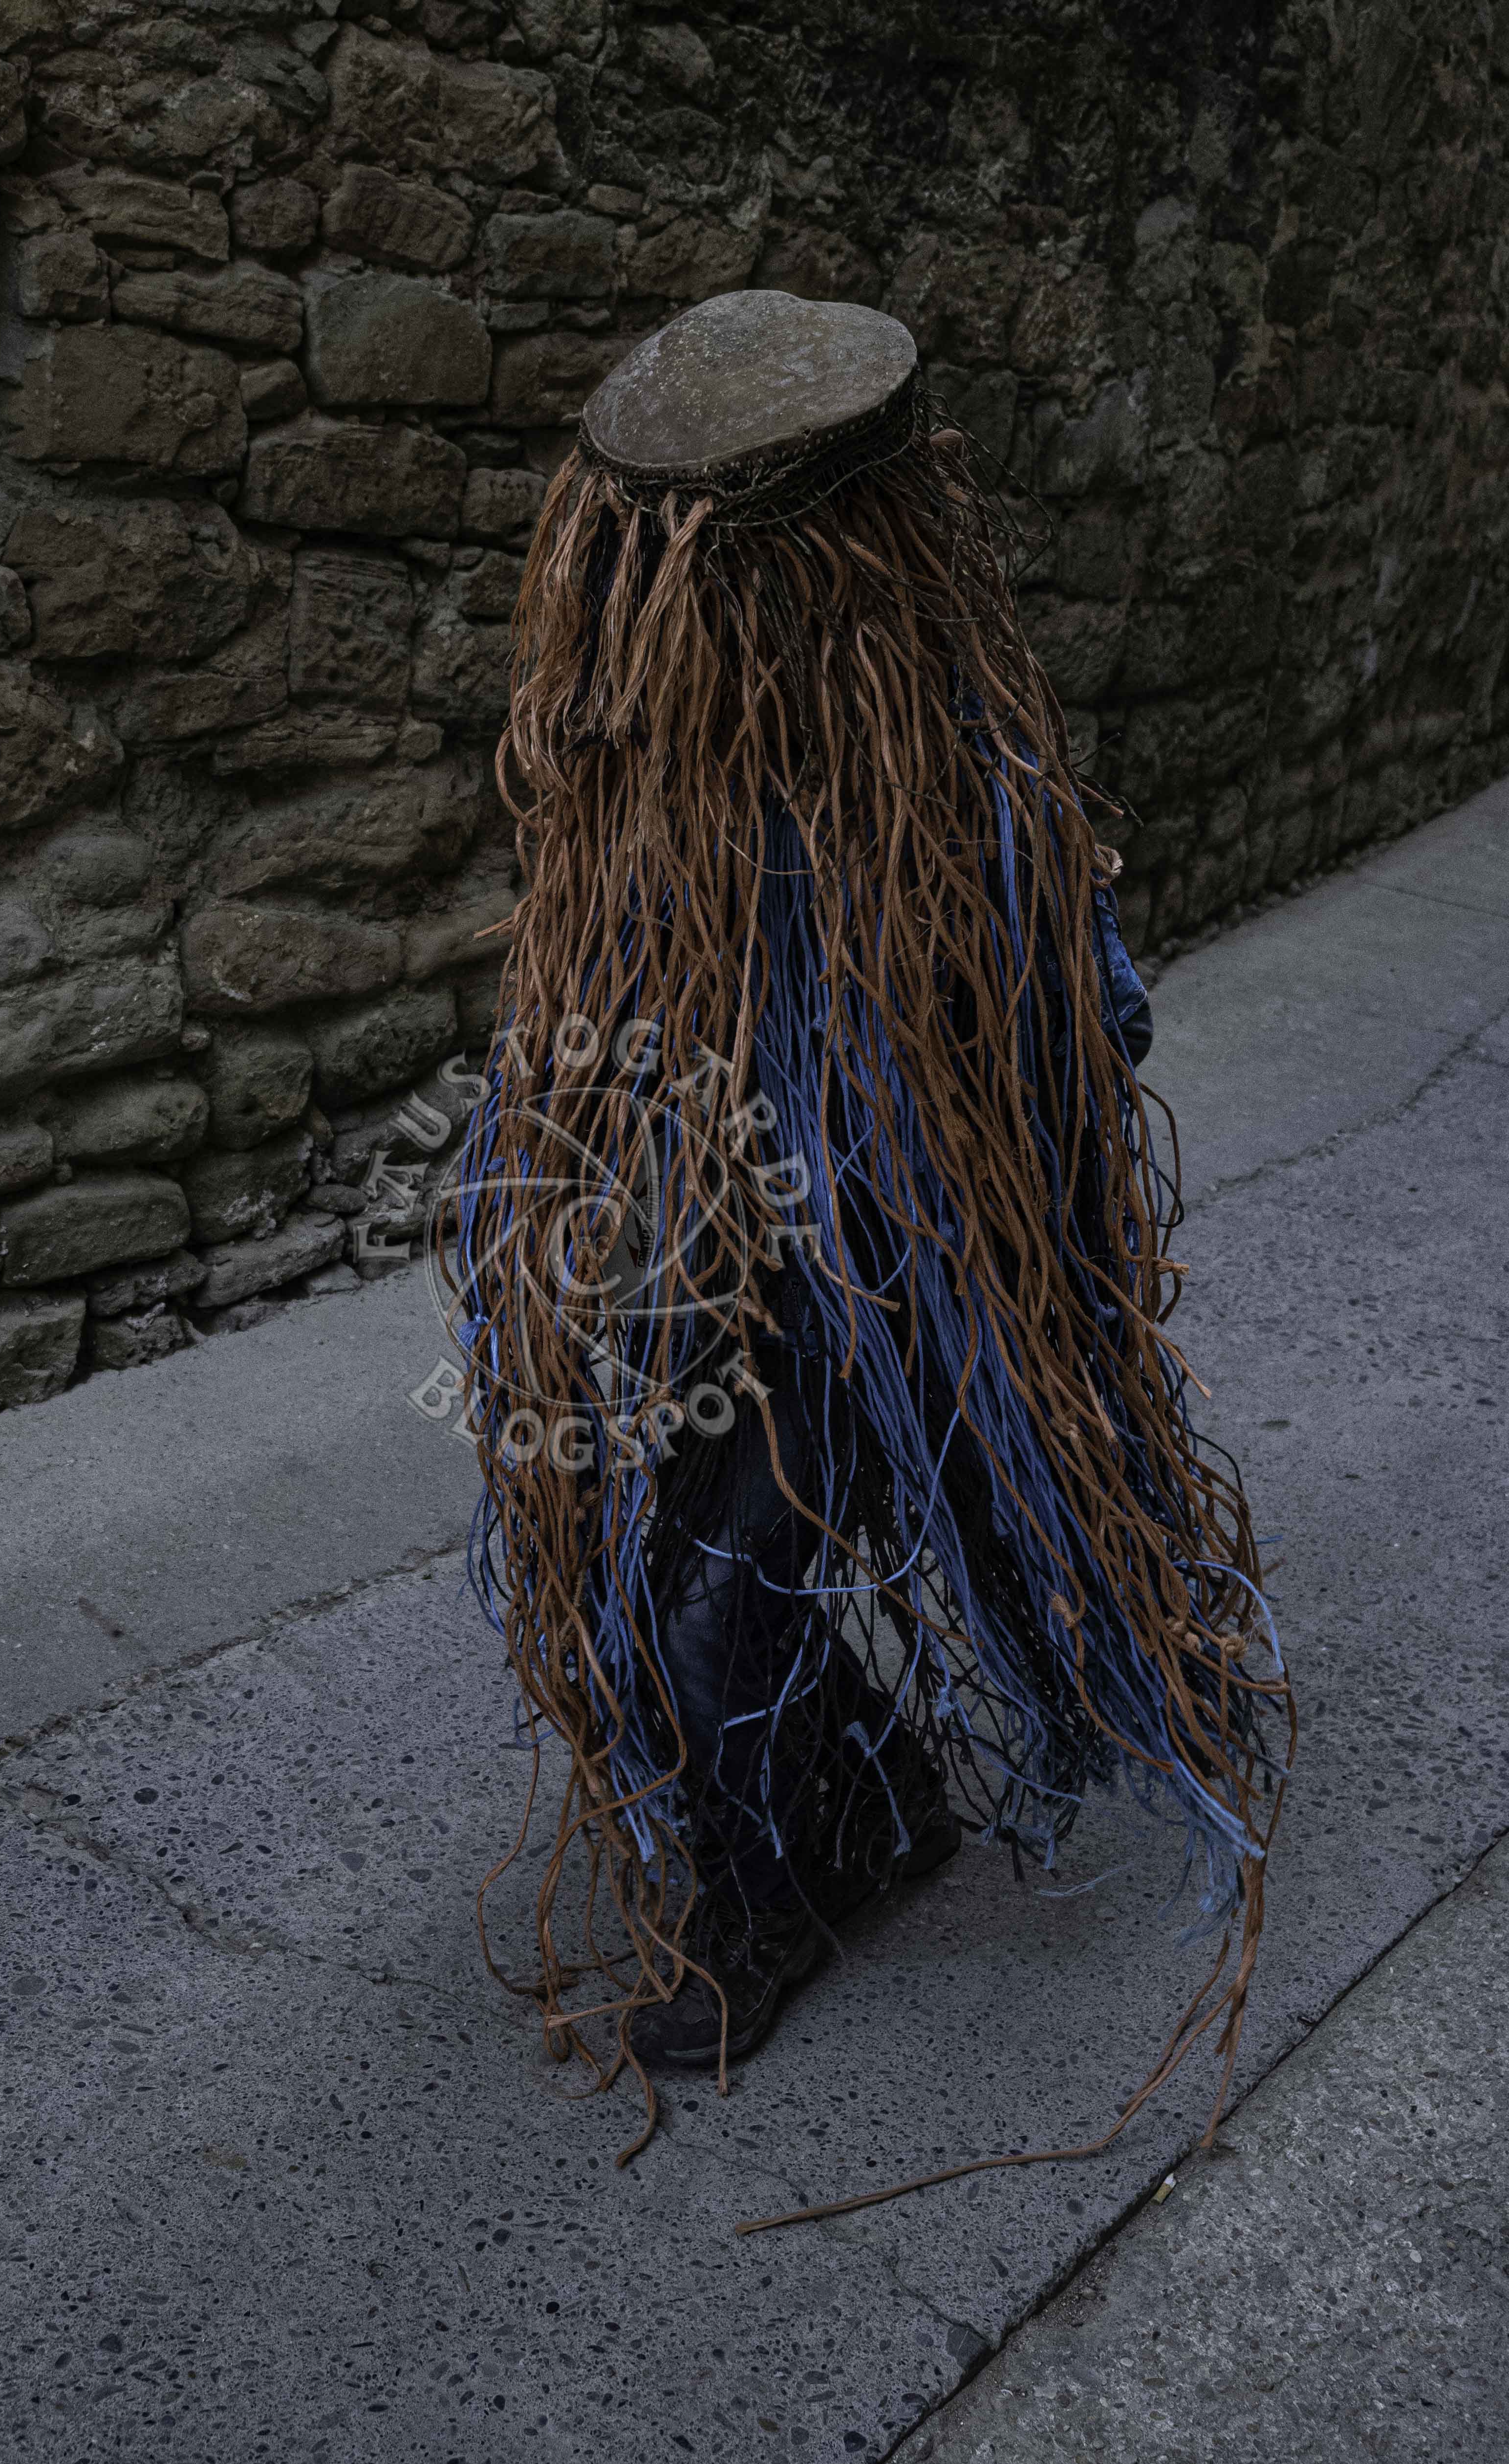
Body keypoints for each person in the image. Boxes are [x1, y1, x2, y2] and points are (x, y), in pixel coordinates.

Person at [445, 290, 1291, 2166]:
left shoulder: (959, 780)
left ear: (818, 576)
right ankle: (877, 1799)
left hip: (884, 1279)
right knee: (670, 1571)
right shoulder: (654, 777)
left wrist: (968, 1102)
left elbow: (1101, 1012)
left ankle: (762, 1902)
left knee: (703, 1599)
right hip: (710, 1258)